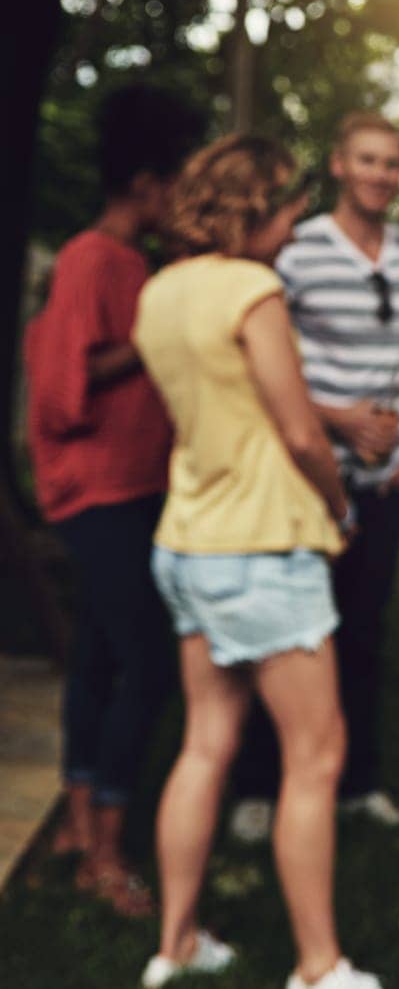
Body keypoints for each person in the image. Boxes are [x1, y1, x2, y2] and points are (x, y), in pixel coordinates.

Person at [132, 134, 381, 988]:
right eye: (287, 202)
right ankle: (320, 965)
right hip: (263, 549)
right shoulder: (252, 288)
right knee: (315, 755)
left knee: (205, 743)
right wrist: (343, 511)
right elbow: (302, 431)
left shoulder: (160, 292)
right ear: (253, 208)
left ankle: (174, 946)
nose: (298, 216)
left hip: (189, 543)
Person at [230, 112, 399, 838]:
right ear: (340, 165)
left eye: (393, 163)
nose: (382, 174)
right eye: (368, 160)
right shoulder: (297, 249)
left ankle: (358, 784)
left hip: (386, 486)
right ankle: (259, 787)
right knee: (290, 630)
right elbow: (261, 360)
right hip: (308, 473)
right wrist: (337, 417)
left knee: (363, 634)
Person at [23, 84, 204, 917]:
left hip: (136, 491)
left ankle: (74, 818)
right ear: (145, 185)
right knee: (148, 662)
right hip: (92, 493)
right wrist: (149, 343)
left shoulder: (139, 264)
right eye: (179, 187)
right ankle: (103, 853)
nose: (184, 205)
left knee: (99, 655)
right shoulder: (92, 258)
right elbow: (62, 390)